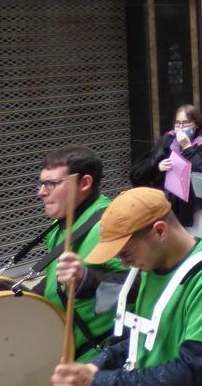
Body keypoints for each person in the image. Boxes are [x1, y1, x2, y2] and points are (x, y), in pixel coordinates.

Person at [51, 187, 202, 385]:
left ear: (159, 231)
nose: (124, 264)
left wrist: (98, 380)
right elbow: (139, 340)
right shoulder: (150, 267)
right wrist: (97, 364)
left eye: (125, 254)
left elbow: (192, 369)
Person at [35, 145, 127, 362]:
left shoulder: (110, 224)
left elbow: (143, 284)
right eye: (41, 183)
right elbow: (54, 281)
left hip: (104, 356)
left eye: (52, 184)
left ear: (85, 183)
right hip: (70, 354)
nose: (41, 192)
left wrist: (88, 280)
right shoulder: (61, 226)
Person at [131, 105, 202, 243]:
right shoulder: (168, 139)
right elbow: (140, 172)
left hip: (199, 208)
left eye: (185, 123)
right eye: (177, 123)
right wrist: (158, 167)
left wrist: (187, 148)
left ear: (196, 124)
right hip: (172, 206)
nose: (180, 127)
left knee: (201, 246)